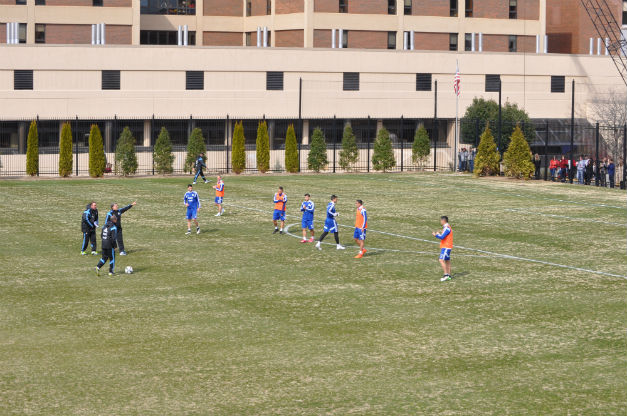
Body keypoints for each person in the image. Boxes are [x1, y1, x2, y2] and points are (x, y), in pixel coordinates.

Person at [432, 215, 453, 282]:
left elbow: (442, 237)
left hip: (446, 247)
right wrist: (439, 234)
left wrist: (436, 235)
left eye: (441, 220)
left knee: (441, 260)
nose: (440, 222)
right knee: (447, 261)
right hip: (448, 246)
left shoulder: (447, 228)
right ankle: (449, 275)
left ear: (443, 221)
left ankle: (446, 275)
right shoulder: (446, 227)